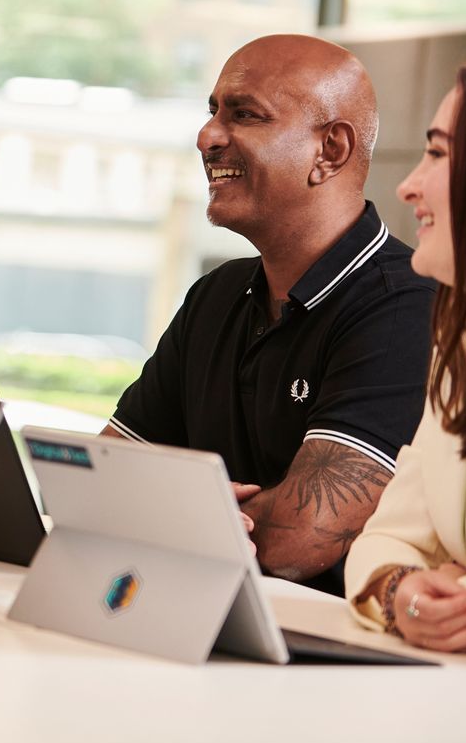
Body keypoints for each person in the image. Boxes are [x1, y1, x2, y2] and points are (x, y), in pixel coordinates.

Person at [104, 34, 435, 594]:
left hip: (332, 663)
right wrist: (199, 516)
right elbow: (101, 479)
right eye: (212, 111)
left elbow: (298, 541)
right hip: (199, 626)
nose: (207, 136)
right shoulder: (217, 294)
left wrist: (170, 510)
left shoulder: (407, 306)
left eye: (245, 115)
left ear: (329, 151)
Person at [345, 68, 466, 652]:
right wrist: (404, 596)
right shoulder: (456, 344)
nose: (408, 186)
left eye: (438, 155)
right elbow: (385, 539)